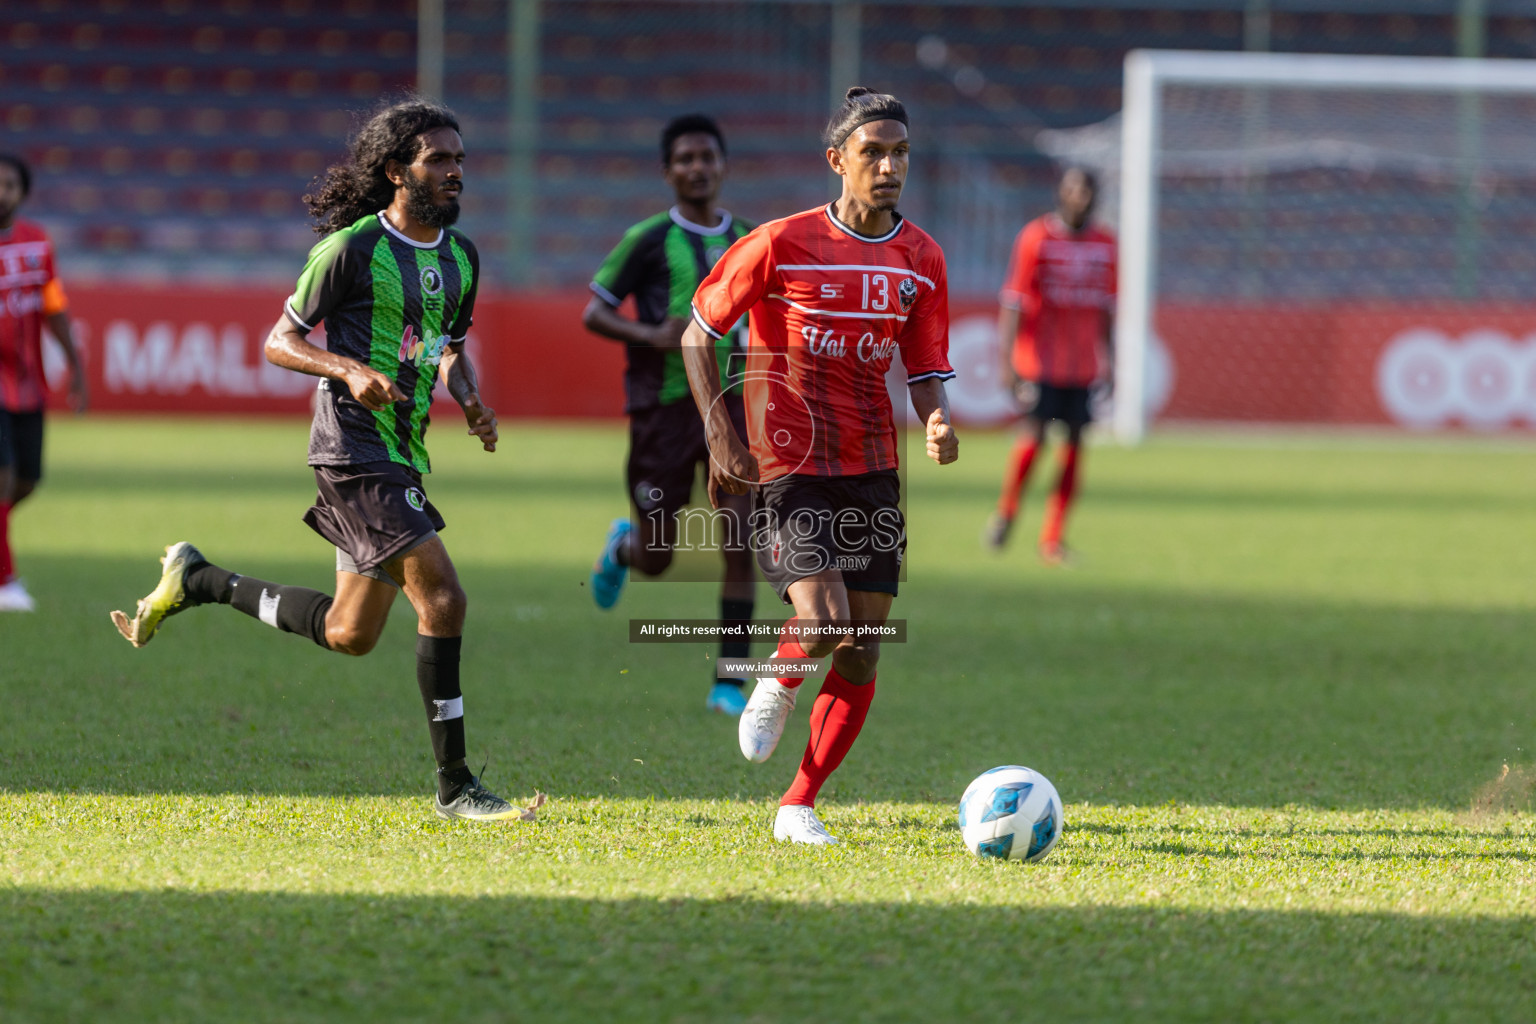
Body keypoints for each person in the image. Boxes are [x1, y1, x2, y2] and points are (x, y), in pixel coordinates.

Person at [109, 101, 536, 823]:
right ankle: (457, 787)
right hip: (352, 450)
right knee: (443, 599)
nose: (457, 172)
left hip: (403, 450)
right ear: (398, 171)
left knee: (350, 633)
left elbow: (443, 345)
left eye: (461, 158)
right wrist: (346, 370)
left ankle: (199, 579)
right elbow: (279, 340)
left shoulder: (462, 258)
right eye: (440, 160)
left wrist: (468, 397)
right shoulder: (352, 249)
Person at [681, 87, 959, 845]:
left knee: (864, 646)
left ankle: (797, 804)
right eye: (874, 151)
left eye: (900, 152)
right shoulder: (779, 242)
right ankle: (776, 677)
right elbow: (699, 334)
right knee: (826, 621)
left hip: (872, 467)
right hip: (789, 463)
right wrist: (719, 434)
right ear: (837, 159)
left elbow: (926, 363)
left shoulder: (922, 259)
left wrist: (935, 415)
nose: (890, 165)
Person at [584, 114, 757, 716]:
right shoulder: (648, 239)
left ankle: (730, 681)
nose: (697, 167)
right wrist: (651, 335)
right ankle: (626, 547)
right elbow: (595, 311)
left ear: (723, 165)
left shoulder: (751, 239)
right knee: (659, 559)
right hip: (661, 411)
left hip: (731, 410)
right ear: (668, 172)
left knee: (741, 538)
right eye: (684, 158)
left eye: (707, 156)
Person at [984, 167, 1116, 564]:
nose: (1081, 197)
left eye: (1088, 190)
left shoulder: (1107, 244)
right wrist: (1007, 362)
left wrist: (1111, 362)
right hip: (1039, 361)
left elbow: (1107, 307)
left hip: (1082, 365)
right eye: (1074, 189)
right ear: (1061, 192)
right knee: (1036, 438)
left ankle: (1053, 539)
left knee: (1075, 445)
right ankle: (1007, 511)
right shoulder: (1036, 238)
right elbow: (1014, 302)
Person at [0, 153, 88, 612]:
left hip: (26, 383)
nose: (1, 191)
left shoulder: (37, 243)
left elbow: (53, 304)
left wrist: (76, 365)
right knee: (3, 477)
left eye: (9, 183)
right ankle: (5, 582)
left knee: (27, 481)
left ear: (22, 191)